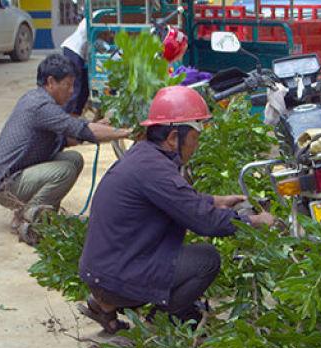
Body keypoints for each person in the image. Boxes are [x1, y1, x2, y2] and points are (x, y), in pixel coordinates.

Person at [78, 86, 275, 333]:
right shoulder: (157, 171)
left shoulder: (144, 156)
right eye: (195, 137)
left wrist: (216, 200)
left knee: (176, 252)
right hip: (116, 277)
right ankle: (158, 322)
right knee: (206, 259)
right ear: (173, 138)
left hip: (102, 271)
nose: (197, 145)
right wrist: (256, 221)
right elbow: (206, 223)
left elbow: (179, 200)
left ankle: (104, 306)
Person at [0, 54, 131, 244]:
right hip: (7, 186)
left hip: (17, 176)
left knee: (74, 158)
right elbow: (81, 130)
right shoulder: (40, 106)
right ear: (50, 82)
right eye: (68, 85)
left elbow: (72, 135)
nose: (72, 91)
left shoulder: (36, 99)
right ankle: (29, 218)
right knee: (65, 170)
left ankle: (38, 213)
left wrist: (100, 126)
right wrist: (126, 133)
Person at [60, 18, 89, 116]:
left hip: (81, 54)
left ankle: (75, 113)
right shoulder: (97, 15)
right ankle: (67, 115)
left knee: (85, 86)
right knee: (75, 85)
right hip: (74, 50)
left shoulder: (103, 14)